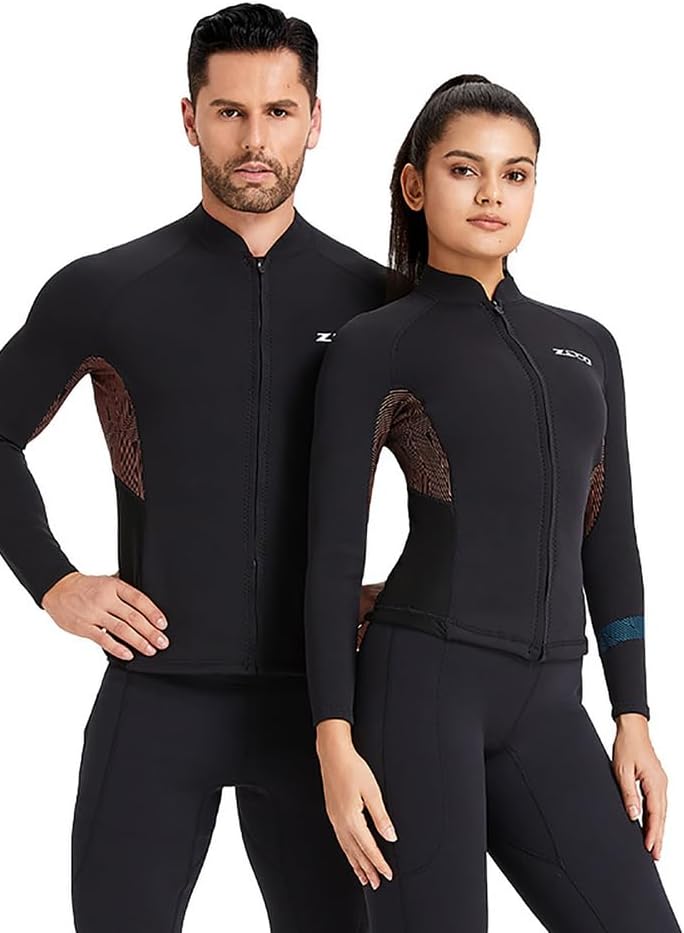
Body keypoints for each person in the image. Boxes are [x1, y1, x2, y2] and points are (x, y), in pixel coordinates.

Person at [0, 5, 389, 931]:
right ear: (190, 118)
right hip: (156, 695)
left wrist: (417, 593)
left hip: (321, 708)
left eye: (279, 111)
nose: (255, 139)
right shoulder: (108, 289)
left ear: (316, 120)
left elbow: (472, 469)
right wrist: (55, 581)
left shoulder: (377, 303)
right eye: (230, 111)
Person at [303, 74, 681, 931]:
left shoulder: (587, 346)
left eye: (516, 174)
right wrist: (334, 737)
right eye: (464, 169)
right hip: (421, 690)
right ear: (415, 185)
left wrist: (633, 715)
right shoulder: (376, 344)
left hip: (551, 701)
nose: (490, 194)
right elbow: (332, 555)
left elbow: (609, 539)